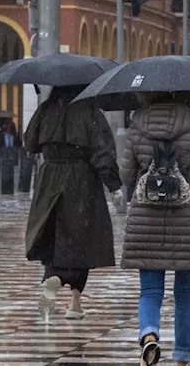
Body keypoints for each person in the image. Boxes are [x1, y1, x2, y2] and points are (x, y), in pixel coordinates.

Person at [120, 94, 190, 366]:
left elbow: (126, 175)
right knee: (185, 295)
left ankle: (149, 336)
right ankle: (181, 363)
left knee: (150, 292)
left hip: (145, 220)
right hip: (187, 222)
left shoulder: (136, 128)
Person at [23, 85, 121, 321]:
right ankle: (75, 303)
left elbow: (29, 142)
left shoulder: (46, 109)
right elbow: (103, 152)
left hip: (49, 180)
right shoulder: (89, 111)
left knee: (54, 233)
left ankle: (52, 277)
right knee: (81, 239)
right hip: (81, 180)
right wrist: (113, 184)